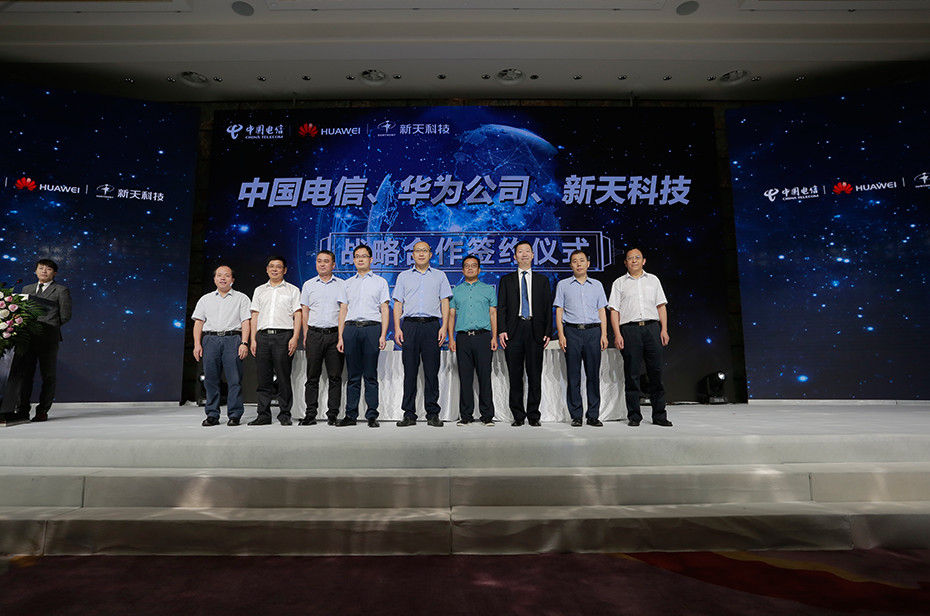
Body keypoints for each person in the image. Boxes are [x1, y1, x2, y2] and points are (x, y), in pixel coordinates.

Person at [1, 258, 72, 422]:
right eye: (41, 268)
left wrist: (48, 327)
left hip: (48, 339)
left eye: (48, 269)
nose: (44, 271)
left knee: (48, 376)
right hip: (27, 339)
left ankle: (42, 411)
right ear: (35, 271)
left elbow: (65, 315)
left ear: (55, 273)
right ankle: (22, 410)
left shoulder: (61, 290)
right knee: (25, 375)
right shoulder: (27, 289)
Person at [608, 247, 673, 427]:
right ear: (625, 263)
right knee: (632, 374)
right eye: (630, 258)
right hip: (629, 330)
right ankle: (634, 416)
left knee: (656, 373)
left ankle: (659, 415)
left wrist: (664, 329)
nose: (634, 260)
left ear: (643, 261)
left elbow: (661, 306)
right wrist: (617, 333)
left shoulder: (653, 280)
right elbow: (614, 310)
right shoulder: (619, 283)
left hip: (652, 328)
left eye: (637, 257)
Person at [392, 241, 452, 427]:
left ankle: (432, 413)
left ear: (430, 254)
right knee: (410, 371)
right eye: (417, 251)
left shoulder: (440, 276)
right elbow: (398, 303)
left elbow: (445, 303)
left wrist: (443, 327)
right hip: (409, 326)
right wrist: (397, 328)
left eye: (424, 250)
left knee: (431, 372)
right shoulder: (403, 276)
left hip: (431, 326)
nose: (421, 254)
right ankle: (409, 414)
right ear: (412, 254)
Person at [497, 240, 552, 427]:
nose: (524, 254)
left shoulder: (542, 281)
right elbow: (501, 308)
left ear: (533, 255)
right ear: (515, 256)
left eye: (527, 251)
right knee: (515, 375)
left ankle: (534, 415)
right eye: (520, 252)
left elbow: (547, 308)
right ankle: (518, 416)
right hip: (514, 331)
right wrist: (502, 330)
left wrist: (547, 332)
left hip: (535, 331)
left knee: (535, 375)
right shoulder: (506, 280)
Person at [336, 244, 389, 428]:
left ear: (371, 259)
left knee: (370, 374)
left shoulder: (380, 282)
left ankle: (372, 415)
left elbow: (384, 309)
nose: (360, 259)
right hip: (351, 329)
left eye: (364, 256)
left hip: (372, 329)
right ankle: (350, 415)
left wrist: (383, 335)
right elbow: (343, 310)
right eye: (357, 256)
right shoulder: (347, 283)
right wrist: (341, 336)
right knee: (353, 375)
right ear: (353, 259)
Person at [553, 249, 608, 427]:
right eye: (575, 261)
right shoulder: (563, 285)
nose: (578, 264)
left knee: (593, 375)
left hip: (593, 332)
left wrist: (604, 334)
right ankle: (576, 415)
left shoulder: (597, 285)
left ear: (588, 263)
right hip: (572, 332)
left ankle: (593, 415)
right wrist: (561, 334)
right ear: (571, 265)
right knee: (573, 375)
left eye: (582, 260)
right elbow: (559, 310)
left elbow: (602, 311)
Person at [192, 265, 252, 427]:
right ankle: (212, 414)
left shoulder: (242, 298)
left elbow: (246, 322)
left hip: (233, 339)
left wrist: (244, 342)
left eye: (226, 275)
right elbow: (199, 322)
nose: (223, 278)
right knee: (210, 379)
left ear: (233, 279)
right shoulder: (205, 299)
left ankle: (235, 414)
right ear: (214, 279)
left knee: (234, 379)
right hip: (210, 339)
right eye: (219, 275)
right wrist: (197, 344)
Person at [247, 255, 301, 426]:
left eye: (278, 266)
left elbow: (298, 314)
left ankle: (285, 414)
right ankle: (263, 414)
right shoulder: (259, 290)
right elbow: (254, 315)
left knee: (284, 377)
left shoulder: (292, 290)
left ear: (285, 270)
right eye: (272, 266)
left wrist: (295, 337)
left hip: (284, 336)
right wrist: (253, 339)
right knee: (263, 378)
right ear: (267, 269)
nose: (275, 269)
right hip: (262, 336)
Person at [448, 255, 497, 426]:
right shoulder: (455, 291)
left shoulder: (488, 289)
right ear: (462, 270)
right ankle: (466, 416)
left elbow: (493, 314)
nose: (470, 268)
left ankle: (487, 416)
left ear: (479, 270)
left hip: (483, 337)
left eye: (473, 265)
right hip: (463, 338)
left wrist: (494, 337)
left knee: (485, 377)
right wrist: (451, 338)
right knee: (465, 378)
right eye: (467, 266)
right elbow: (451, 316)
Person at [299, 250, 345, 426]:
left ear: (333, 265)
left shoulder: (342, 285)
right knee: (312, 377)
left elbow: (344, 311)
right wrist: (306, 334)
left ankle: (332, 414)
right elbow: (305, 311)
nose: (322, 264)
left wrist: (341, 336)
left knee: (335, 377)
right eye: (319, 261)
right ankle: (310, 414)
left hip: (334, 335)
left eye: (326, 261)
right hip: (314, 334)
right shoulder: (308, 285)